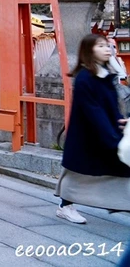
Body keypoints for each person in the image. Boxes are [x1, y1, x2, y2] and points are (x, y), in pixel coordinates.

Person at [55, 33, 130, 224]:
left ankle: (122, 204)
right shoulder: (85, 78)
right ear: (89, 51)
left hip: (107, 131)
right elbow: (93, 111)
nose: (107, 49)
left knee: (119, 170)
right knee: (78, 174)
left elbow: (112, 106)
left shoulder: (104, 75)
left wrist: (120, 123)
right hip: (88, 136)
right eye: (101, 46)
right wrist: (111, 135)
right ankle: (65, 205)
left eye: (108, 46)